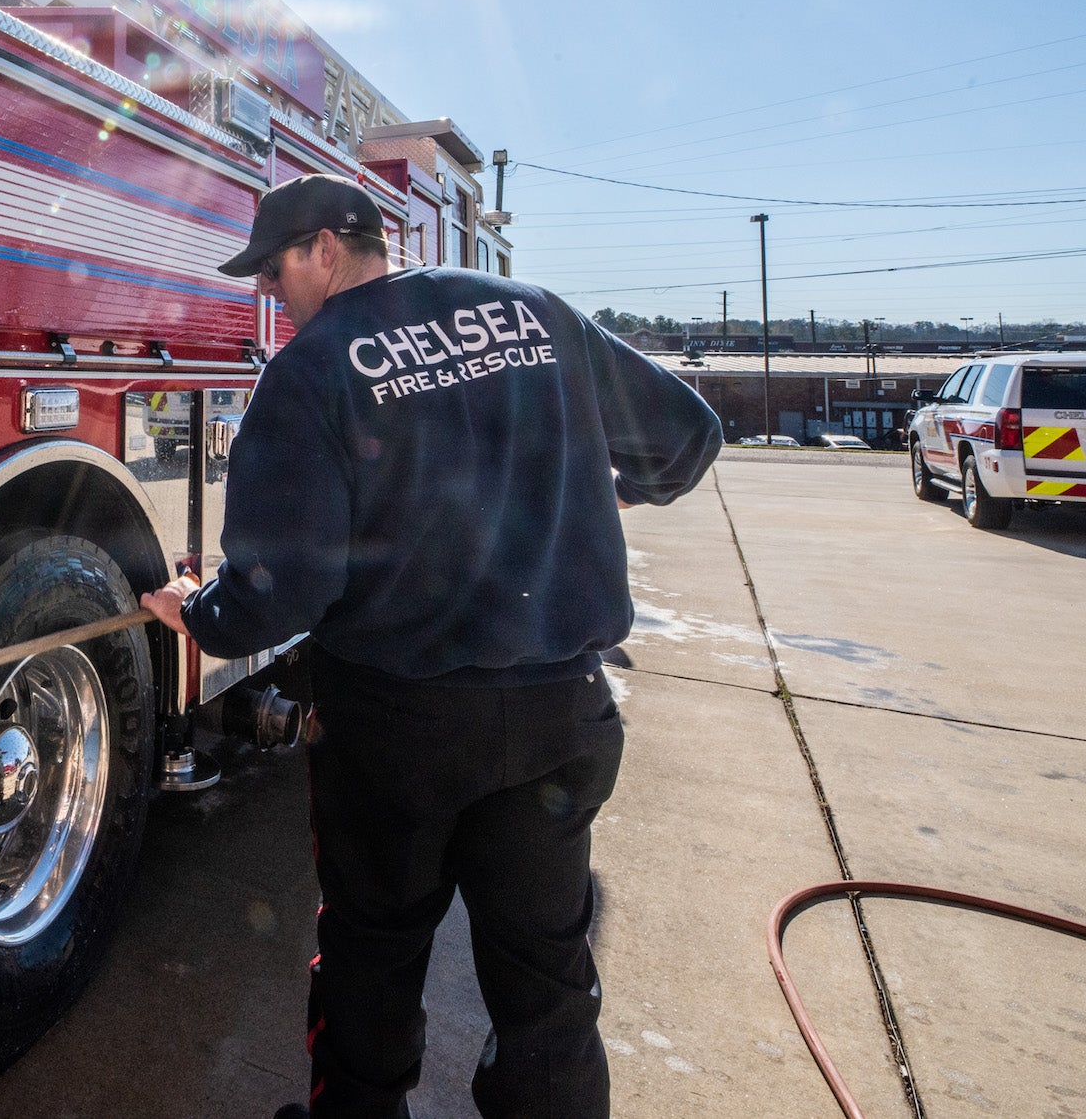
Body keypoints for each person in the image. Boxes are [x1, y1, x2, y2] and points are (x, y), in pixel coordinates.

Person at [141, 174, 721, 1119]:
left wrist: (193, 613)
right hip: (558, 713)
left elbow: (283, 589)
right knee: (546, 978)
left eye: (276, 271)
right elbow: (689, 439)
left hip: (396, 733)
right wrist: (603, 493)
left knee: (372, 951)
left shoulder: (313, 366)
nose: (272, 297)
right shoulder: (534, 312)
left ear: (327, 248)